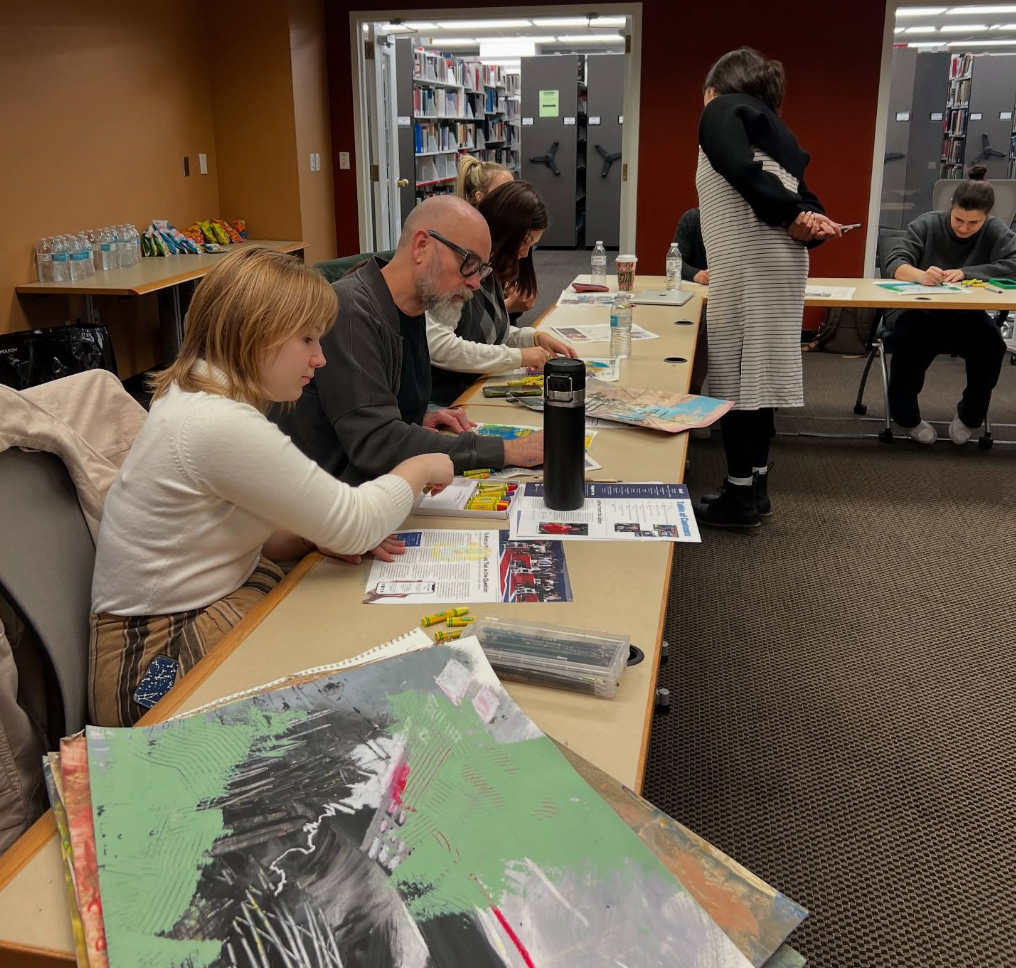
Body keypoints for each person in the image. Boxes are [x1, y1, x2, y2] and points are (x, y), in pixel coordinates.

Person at [89, 246, 454, 727]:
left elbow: (239, 532)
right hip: (153, 656)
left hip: (203, 602)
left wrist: (307, 536)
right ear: (256, 334)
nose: (320, 358)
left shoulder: (199, 394)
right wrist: (422, 465)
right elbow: (356, 524)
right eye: (307, 339)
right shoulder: (217, 421)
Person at [276, 195, 543, 483]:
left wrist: (414, 419)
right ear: (422, 246)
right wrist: (510, 450)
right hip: (330, 497)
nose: (475, 282)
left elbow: (369, 410)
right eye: (469, 263)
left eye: (482, 270)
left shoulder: (411, 308)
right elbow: (376, 443)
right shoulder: (350, 309)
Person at [694, 47, 842, 530]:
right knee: (762, 376)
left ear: (716, 88)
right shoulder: (775, 130)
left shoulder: (720, 110)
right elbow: (806, 197)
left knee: (737, 377)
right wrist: (802, 216)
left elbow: (738, 168)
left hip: (745, 263)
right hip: (781, 266)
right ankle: (755, 487)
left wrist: (792, 214)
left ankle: (738, 497)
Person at [884, 166, 1016, 445]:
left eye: (973, 223)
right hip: (918, 311)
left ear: (987, 217)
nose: (964, 228)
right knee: (910, 340)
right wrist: (921, 275)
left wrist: (969, 273)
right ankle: (906, 417)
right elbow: (894, 262)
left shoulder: (995, 230)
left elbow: (1013, 264)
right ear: (950, 207)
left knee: (991, 345)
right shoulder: (927, 224)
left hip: (963, 314)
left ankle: (970, 416)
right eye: (958, 219)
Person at [428, 180, 576, 406]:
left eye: (532, 245)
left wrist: (531, 337)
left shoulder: (490, 270)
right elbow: (439, 346)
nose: (525, 254)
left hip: (477, 389)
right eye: (524, 242)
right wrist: (518, 357)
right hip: (449, 401)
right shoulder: (459, 273)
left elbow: (490, 335)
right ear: (506, 232)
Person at [457, 155, 534, 319]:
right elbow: (464, 322)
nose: (514, 199)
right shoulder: (470, 247)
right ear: (481, 197)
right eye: (505, 193)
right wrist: (509, 306)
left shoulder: (506, 234)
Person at [673, 207, 710, 396]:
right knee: (700, 325)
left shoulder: (740, 223)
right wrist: (696, 275)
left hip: (733, 295)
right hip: (697, 295)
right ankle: (692, 388)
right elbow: (674, 261)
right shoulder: (693, 219)